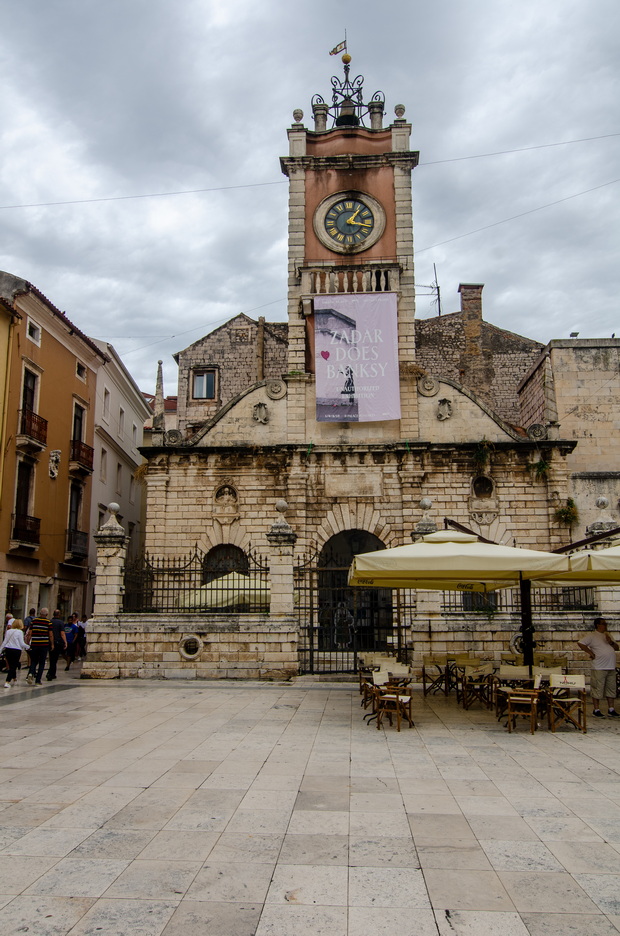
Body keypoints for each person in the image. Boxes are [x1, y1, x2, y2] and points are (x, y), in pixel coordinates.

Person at [577, 617, 620, 718]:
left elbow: (617, 648)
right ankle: (596, 709)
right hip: (599, 666)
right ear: (598, 625)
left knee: (611, 688)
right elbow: (580, 643)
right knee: (597, 688)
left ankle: (611, 709)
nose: (605, 625)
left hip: (610, 666)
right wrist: (590, 652)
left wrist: (610, 642)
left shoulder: (608, 635)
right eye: (603, 624)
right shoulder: (592, 636)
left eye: (605, 623)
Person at [25, 608, 52, 685]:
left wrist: (28, 642)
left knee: (34, 660)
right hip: (44, 645)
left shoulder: (34, 621)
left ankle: (31, 673)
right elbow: (50, 634)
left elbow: (30, 633)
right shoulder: (48, 622)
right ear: (46, 614)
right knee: (42, 662)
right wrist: (52, 644)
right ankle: (38, 680)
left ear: (40, 613)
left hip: (35, 644)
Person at [1, 620, 30, 688]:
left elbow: (5, 641)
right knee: (13, 666)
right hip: (16, 650)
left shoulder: (8, 631)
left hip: (8, 649)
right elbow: (21, 643)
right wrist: (28, 646)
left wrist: (0, 649)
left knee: (11, 665)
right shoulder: (20, 632)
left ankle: (14, 678)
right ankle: (7, 681)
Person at [46, 610, 67, 681]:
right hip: (57, 642)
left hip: (50, 641)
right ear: (59, 615)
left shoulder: (50, 621)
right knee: (55, 659)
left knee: (52, 658)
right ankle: (50, 673)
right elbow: (62, 633)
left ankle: (52, 673)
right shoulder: (60, 622)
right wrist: (65, 642)